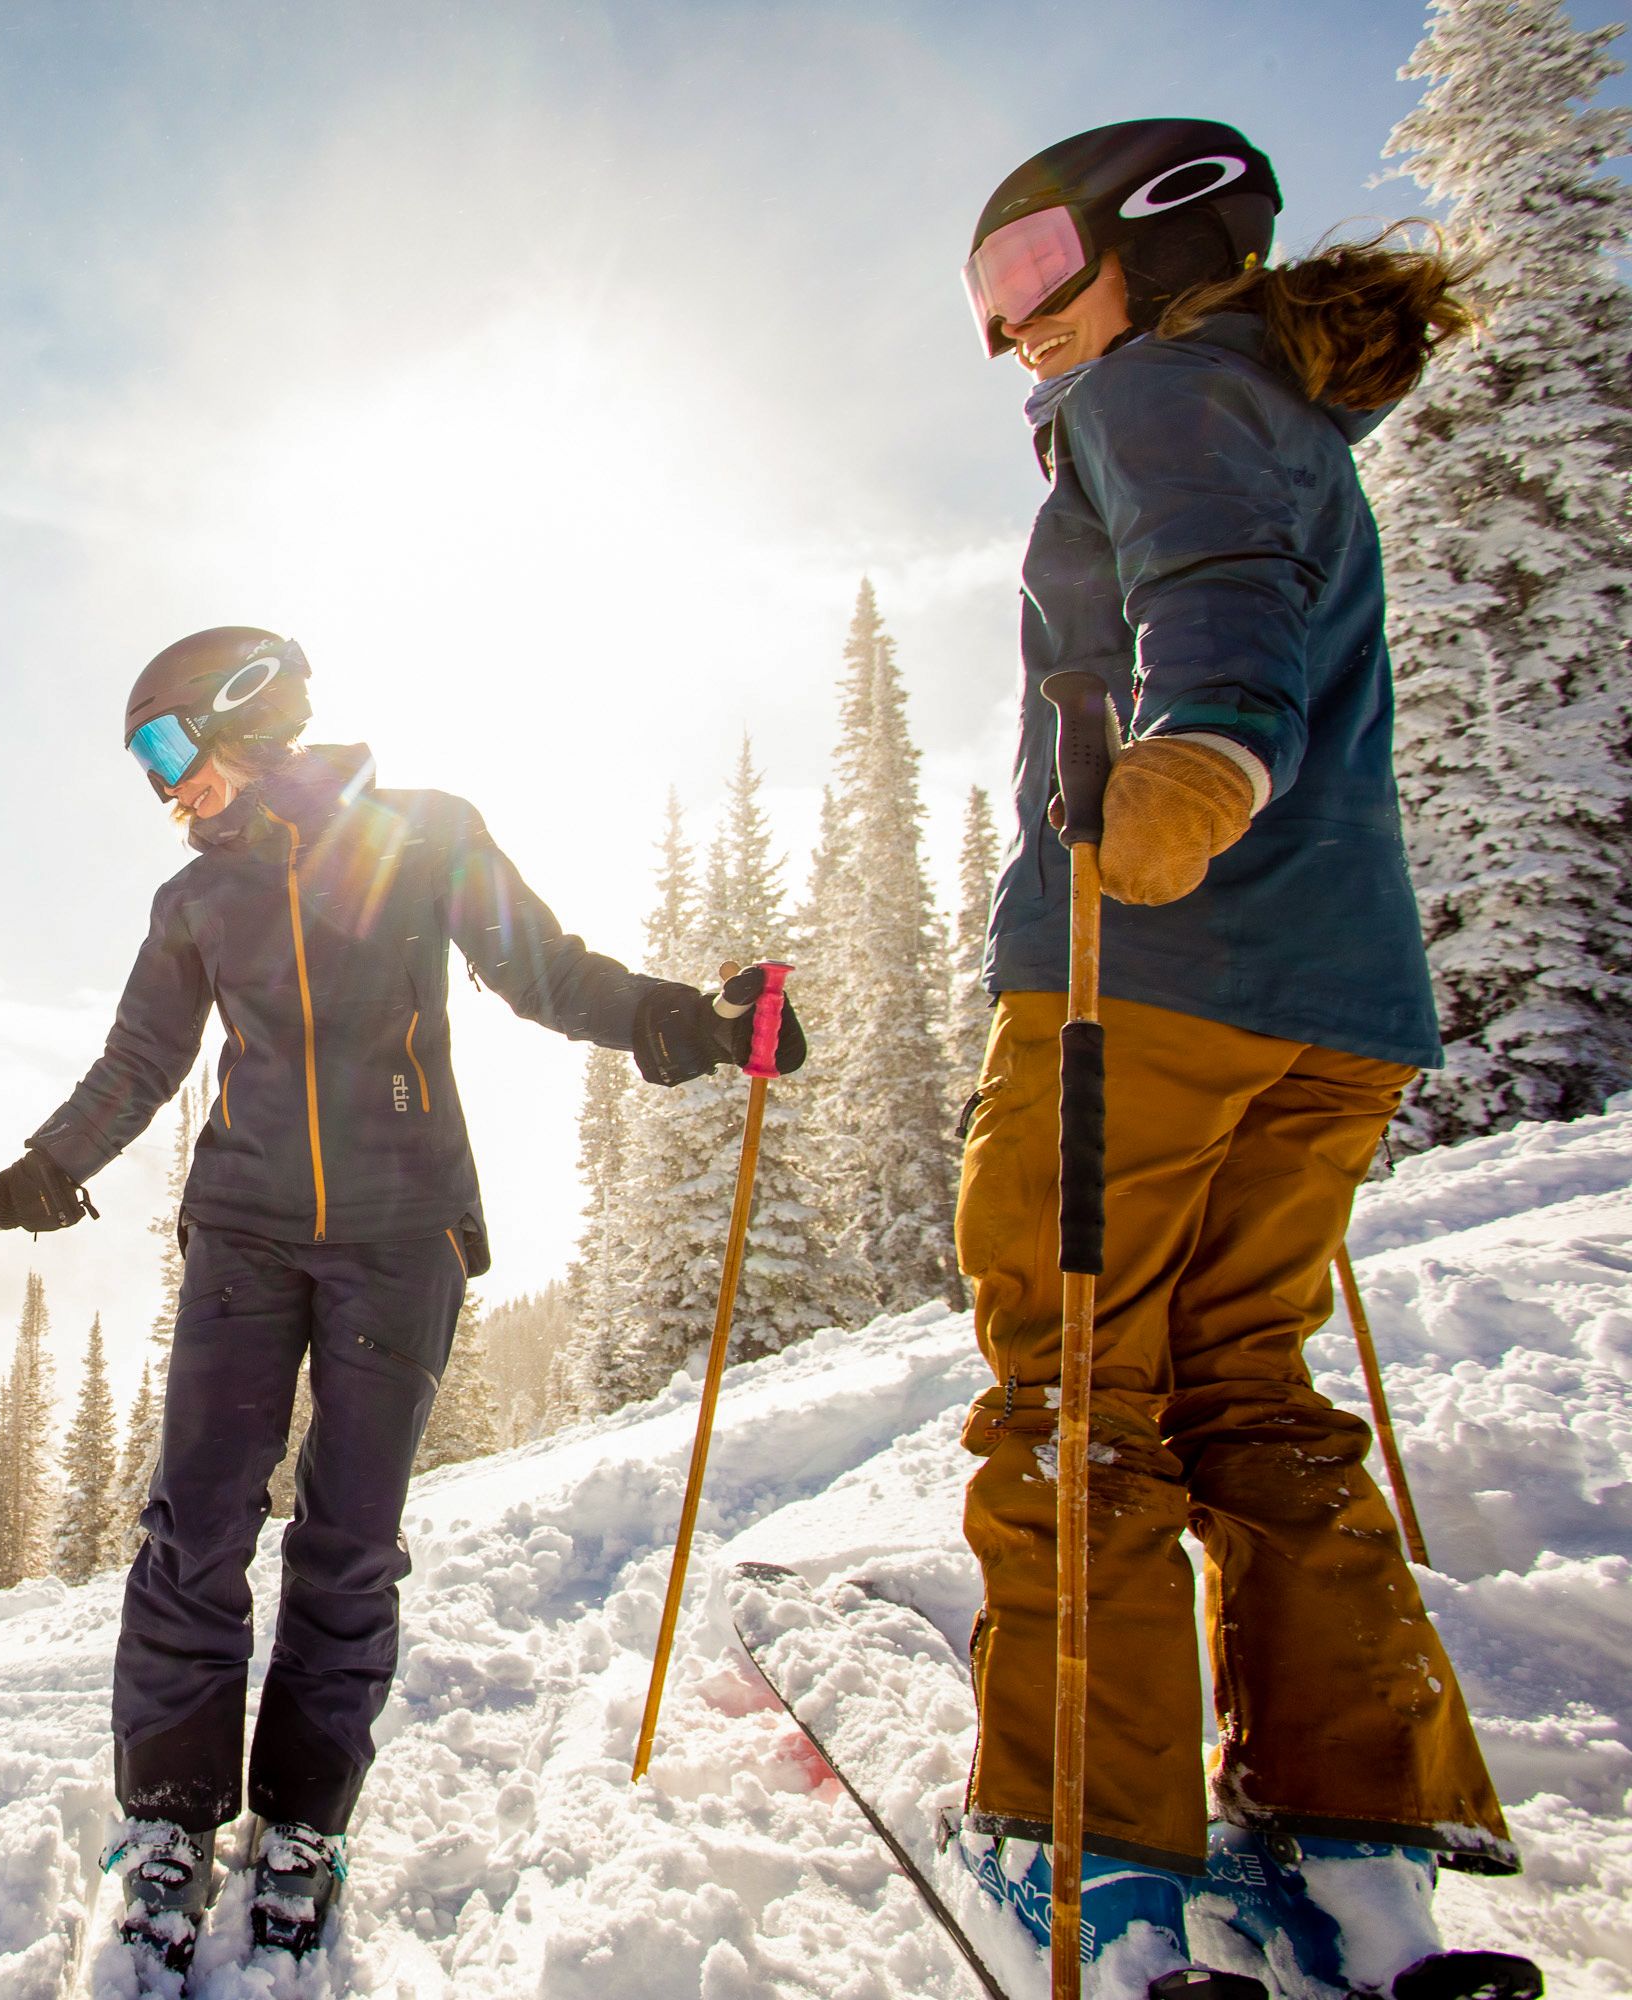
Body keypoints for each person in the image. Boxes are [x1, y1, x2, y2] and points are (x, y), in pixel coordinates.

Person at [0, 627, 801, 1975]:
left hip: (403, 1239)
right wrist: (5, 1191)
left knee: (348, 1542)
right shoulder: (194, 904)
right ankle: (167, 1823)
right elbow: (135, 1071)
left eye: (166, 748)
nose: (163, 789)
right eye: (142, 765)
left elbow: (547, 976)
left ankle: (304, 1827)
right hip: (244, 1237)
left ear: (244, 717)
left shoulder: (425, 836)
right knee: (195, 1525)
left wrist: (694, 1024)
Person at [955, 119, 1535, 2000]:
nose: (1012, 329)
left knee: (1077, 1392)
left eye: (1032, 272)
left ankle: (1091, 1848)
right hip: (1332, 1001)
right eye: (987, 303)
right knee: (1250, 1389)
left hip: (1150, 976)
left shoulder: (1166, 392)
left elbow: (1218, 603)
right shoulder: (1283, 405)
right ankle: (1358, 1846)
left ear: (1161, 240)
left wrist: (1204, 748)